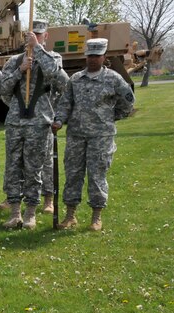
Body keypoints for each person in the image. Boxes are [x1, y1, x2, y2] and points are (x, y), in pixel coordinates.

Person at [52, 38, 134, 231]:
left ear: (104, 56)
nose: (92, 59)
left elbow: (128, 101)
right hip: (76, 136)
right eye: (90, 55)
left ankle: (96, 217)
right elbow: (65, 103)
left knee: (97, 175)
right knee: (73, 174)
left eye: (97, 56)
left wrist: (112, 117)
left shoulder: (113, 78)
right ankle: (70, 215)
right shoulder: (76, 79)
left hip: (101, 136)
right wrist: (59, 120)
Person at [0, 20, 68, 229]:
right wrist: (20, 70)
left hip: (39, 122)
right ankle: (15, 212)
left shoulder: (52, 58)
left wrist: (36, 49)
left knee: (33, 168)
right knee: (13, 167)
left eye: (39, 34)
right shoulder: (14, 61)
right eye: (32, 35)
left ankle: (30, 211)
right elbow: (3, 90)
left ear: (45, 37)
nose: (34, 37)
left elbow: (59, 80)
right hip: (16, 122)